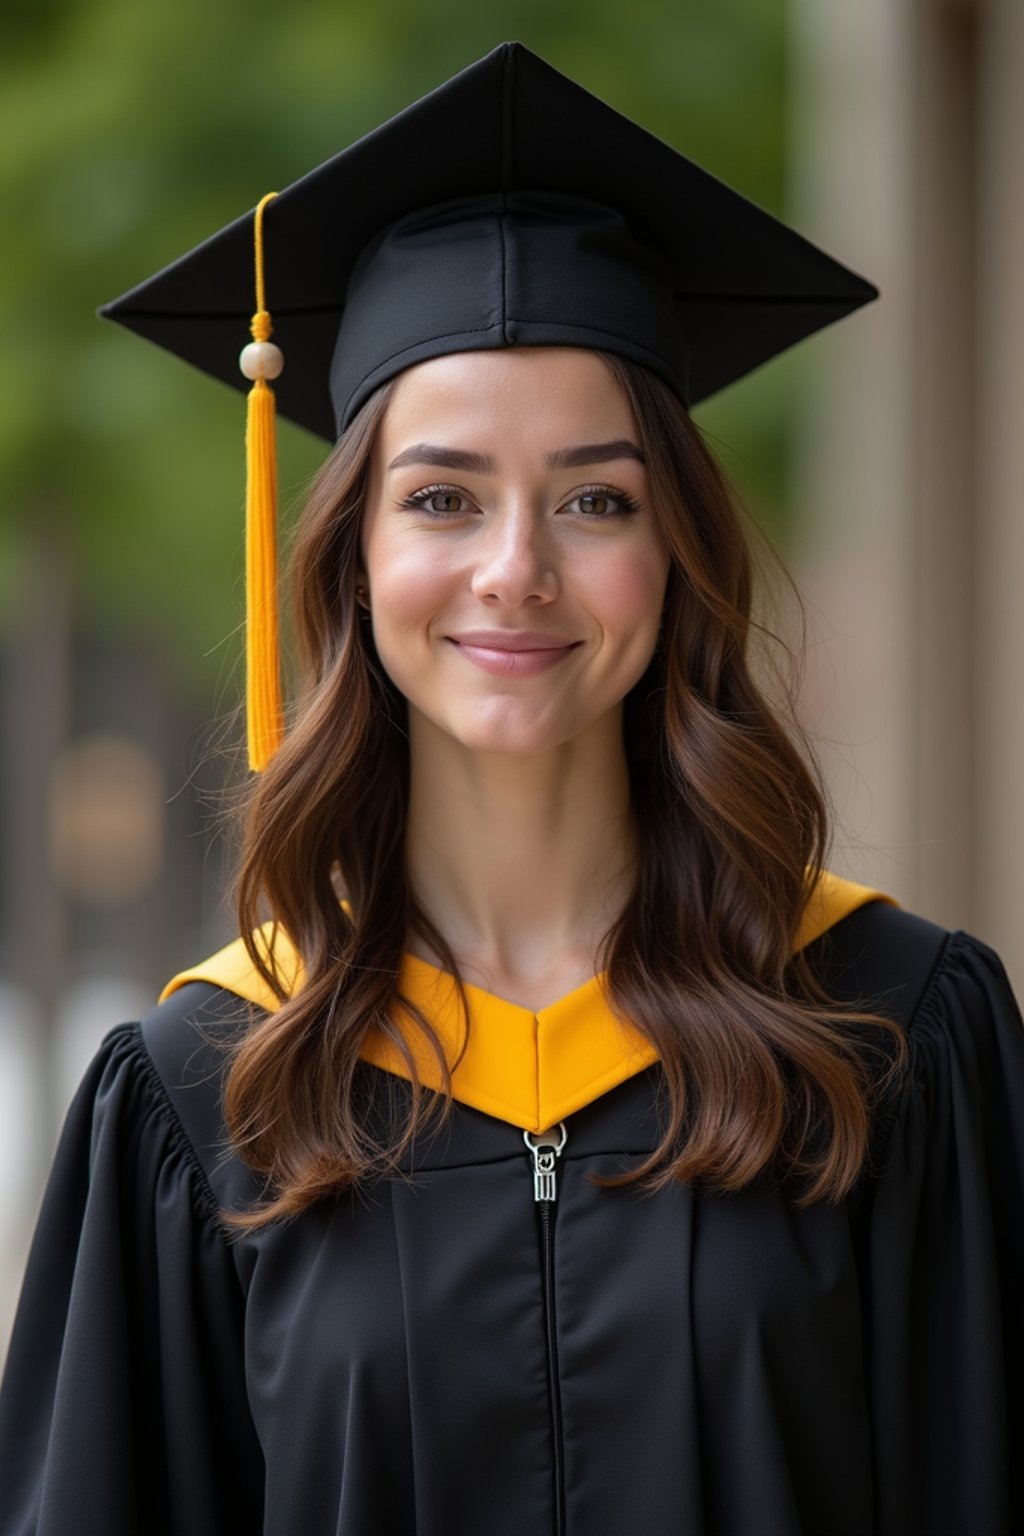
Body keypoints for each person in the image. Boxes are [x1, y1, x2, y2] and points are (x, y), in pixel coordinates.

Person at [1, 40, 1022, 1536]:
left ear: (677, 554)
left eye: (597, 499)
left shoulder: (890, 1034)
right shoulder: (208, 1086)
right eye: (442, 497)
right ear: (354, 557)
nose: (515, 569)